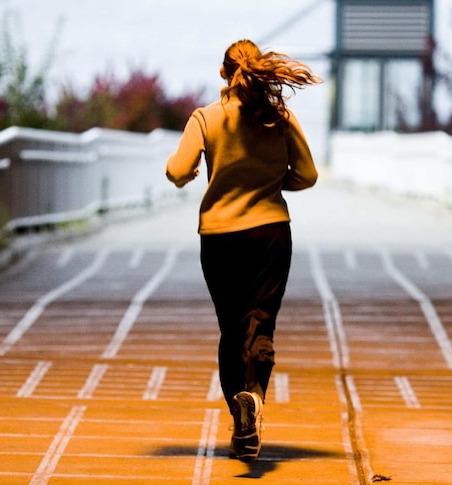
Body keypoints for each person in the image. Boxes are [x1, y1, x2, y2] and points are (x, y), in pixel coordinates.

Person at [165, 39, 320, 463]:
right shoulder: (279, 118)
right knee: (261, 324)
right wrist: (269, 184)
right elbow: (307, 175)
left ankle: (240, 417)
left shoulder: (206, 118)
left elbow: (177, 170)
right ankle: (255, 395)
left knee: (232, 331)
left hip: (219, 236)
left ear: (223, 73)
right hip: (271, 232)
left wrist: (190, 175)